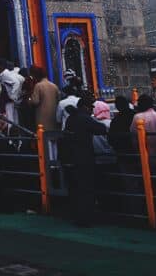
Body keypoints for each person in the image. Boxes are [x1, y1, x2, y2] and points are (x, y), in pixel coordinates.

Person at [62, 96, 108, 226]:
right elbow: (101, 129)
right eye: (90, 108)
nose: (91, 110)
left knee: (76, 188)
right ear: (85, 107)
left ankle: (78, 216)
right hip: (84, 157)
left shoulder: (71, 118)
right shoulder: (85, 118)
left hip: (72, 157)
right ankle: (86, 217)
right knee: (86, 189)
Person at [29, 66, 61, 162]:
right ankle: (55, 161)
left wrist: (29, 100)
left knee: (46, 143)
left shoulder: (38, 86)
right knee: (54, 142)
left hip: (42, 119)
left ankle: (49, 163)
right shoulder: (54, 86)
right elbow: (58, 100)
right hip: (53, 118)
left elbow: (35, 101)